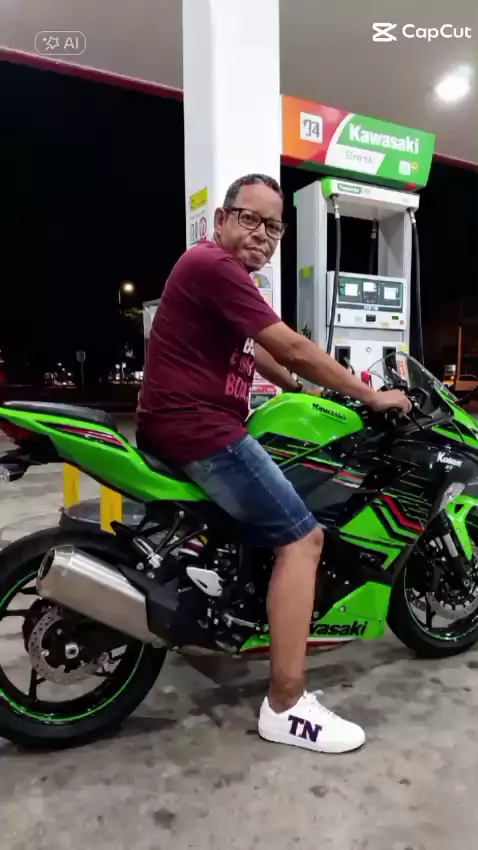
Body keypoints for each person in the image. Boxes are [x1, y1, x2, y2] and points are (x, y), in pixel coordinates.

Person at [137, 173, 411, 754]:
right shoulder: (214, 264)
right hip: (199, 429)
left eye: (274, 226)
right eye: (250, 219)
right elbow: (291, 346)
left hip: (184, 424)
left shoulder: (224, 275)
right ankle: (287, 704)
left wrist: (301, 390)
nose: (262, 234)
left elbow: (260, 350)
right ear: (221, 220)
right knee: (302, 539)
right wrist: (369, 395)